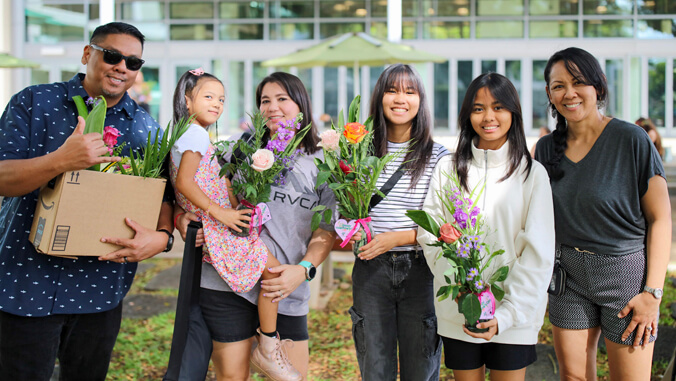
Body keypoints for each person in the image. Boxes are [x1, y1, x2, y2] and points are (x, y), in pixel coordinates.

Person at [0, 22, 175, 380]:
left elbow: (165, 196)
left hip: (98, 288)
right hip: (24, 282)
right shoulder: (34, 102)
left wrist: (162, 238)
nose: (122, 67)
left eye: (133, 62)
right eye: (112, 55)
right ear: (87, 54)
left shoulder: (146, 128)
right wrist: (61, 161)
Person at [171, 72, 337, 381]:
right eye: (265, 100)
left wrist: (302, 270)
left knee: (292, 376)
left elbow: (325, 230)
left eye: (282, 99)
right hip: (226, 283)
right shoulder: (238, 149)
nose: (273, 107)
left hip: (282, 288)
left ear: (301, 103)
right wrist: (181, 216)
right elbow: (191, 182)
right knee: (232, 377)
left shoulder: (324, 161)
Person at [535, 47, 671, 380]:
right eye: (558, 86)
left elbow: (661, 218)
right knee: (574, 377)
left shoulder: (631, 139)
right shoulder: (545, 149)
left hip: (624, 276)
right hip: (567, 275)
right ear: (550, 95)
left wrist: (653, 294)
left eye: (578, 81)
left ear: (598, 86)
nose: (569, 93)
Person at [418, 73, 555, 381]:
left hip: (514, 314)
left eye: (498, 107)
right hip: (459, 313)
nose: (488, 117)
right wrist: (464, 293)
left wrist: (506, 314)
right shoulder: (448, 169)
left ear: (513, 113)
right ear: (468, 114)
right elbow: (429, 234)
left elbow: (538, 253)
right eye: (478, 108)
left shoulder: (533, 175)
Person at [348, 63, 448, 380]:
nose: (400, 98)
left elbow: (446, 224)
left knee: (422, 367)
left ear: (420, 100)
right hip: (371, 270)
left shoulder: (439, 156)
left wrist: (399, 237)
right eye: (392, 90)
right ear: (380, 98)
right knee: (375, 368)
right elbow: (345, 208)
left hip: (421, 270)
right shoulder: (357, 152)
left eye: (409, 91)